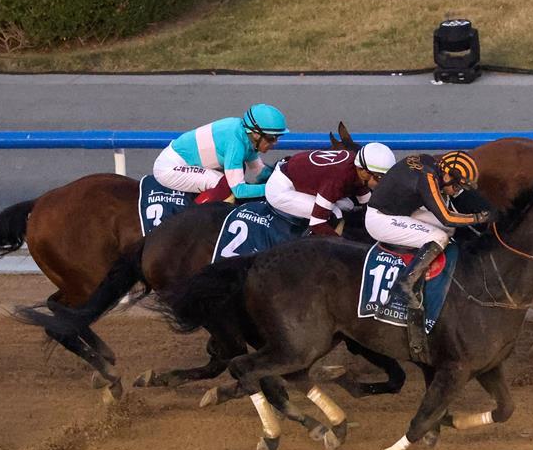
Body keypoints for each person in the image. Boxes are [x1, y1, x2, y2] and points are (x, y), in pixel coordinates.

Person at [364, 150, 493, 352]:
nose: (456, 190)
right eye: (457, 185)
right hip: (380, 220)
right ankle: (406, 283)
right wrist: (479, 218)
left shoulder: (431, 165)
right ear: (448, 175)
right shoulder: (428, 179)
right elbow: (447, 217)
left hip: (401, 210)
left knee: (449, 231)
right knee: (440, 236)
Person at [152, 104, 287, 204]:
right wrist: (273, 189)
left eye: (277, 138)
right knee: (221, 184)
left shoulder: (245, 135)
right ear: (256, 135)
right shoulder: (236, 144)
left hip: (182, 161)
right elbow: (239, 191)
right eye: (271, 138)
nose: (275, 142)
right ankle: (192, 223)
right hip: (169, 168)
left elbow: (259, 171)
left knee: (233, 174)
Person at [265, 142, 396, 235]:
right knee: (334, 214)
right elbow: (317, 223)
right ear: (364, 172)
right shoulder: (337, 178)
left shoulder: (356, 168)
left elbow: (369, 205)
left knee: (348, 206)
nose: (382, 184)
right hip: (282, 188)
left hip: (298, 175)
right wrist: (343, 248)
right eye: (380, 178)